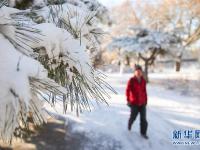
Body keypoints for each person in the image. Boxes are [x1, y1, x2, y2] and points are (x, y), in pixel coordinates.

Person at [126, 64, 148, 139]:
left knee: (143, 119)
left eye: (140, 71)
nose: (138, 72)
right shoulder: (131, 80)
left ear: (141, 72)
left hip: (142, 103)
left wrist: (146, 101)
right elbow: (128, 91)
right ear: (135, 72)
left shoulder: (143, 81)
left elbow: (144, 91)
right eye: (137, 71)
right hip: (134, 103)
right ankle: (130, 123)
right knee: (133, 117)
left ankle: (143, 133)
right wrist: (128, 100)